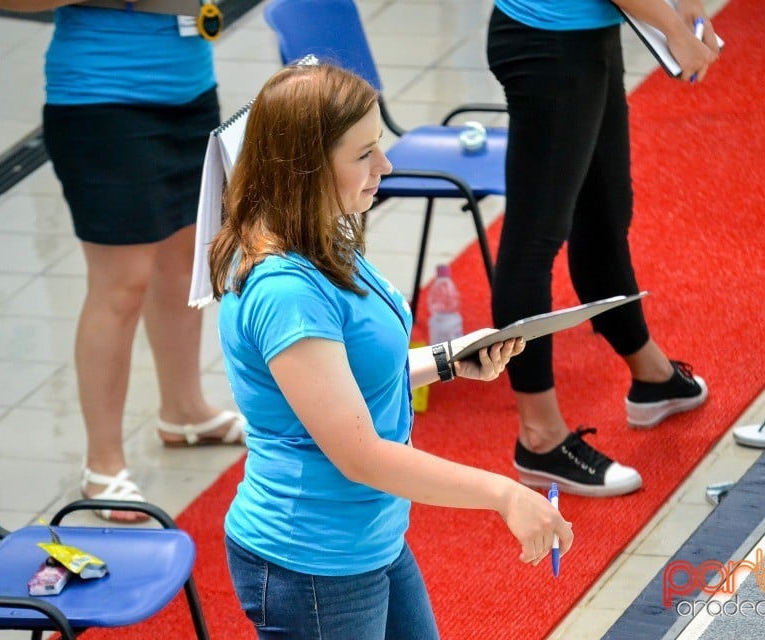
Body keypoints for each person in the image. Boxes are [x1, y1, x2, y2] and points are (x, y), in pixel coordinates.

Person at [207, 62, 574, 640]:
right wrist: (502, 494)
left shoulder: (325, 233)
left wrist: (451, 358)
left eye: (380, 145)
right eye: (363, 155)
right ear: (305, 167)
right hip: (314, 562)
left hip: (364, 538)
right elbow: (361, 455)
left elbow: (345, 379)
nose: (386, 166)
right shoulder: (287, 291)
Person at [0, 0, 245, 522]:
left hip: (190, 88)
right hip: (103, 102)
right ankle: (103, 464)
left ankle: (184, 412)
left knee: (182, 264)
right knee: (121, 284)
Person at [486, 0, 719, 497]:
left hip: (589, 32)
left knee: (606, 214)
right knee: (533, 241)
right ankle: (539, 437)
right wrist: (675, 28)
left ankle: (652, 376)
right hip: (547, 42)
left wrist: (689, 10)